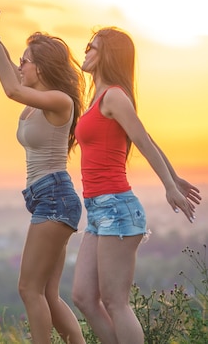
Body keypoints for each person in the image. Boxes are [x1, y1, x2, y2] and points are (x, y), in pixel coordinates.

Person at [70, 27, 202, 344]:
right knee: (84, 297)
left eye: (93, 46)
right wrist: (173, 174)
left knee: (115, 302)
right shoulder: (97, 99)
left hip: (117, 208)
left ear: (108, 55)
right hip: (99, 211)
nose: (85, 51)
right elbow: (145, 135)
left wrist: (169, 185)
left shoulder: (114, 95)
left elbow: (141, 140)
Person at [0, 10, 86, 344]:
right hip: (46, 198)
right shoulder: (37, 101)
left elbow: (11, 90)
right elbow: (17, 86)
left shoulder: (60, 101)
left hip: (55, 197)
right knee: (47, 293)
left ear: (43, 67)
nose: (20, 66)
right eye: (20, 60)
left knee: (29, 289)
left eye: (26, 61)